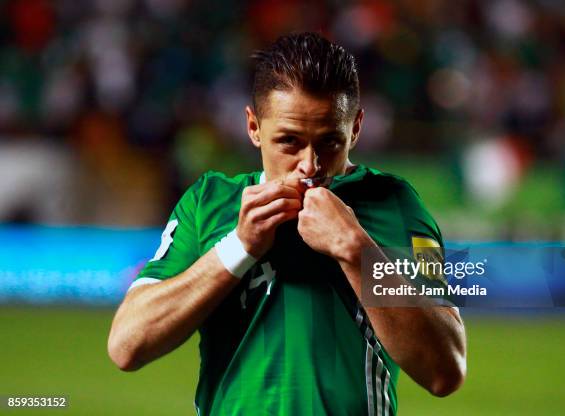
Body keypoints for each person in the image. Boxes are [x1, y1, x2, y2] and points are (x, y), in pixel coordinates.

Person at [108, 32, 466, 415]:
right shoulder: (208, 202)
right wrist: (239, 247)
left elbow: (445, 370)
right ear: (253, 127)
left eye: (329, 142)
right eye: (289, 142)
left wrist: (356, 250)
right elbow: (127, 345)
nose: (309, 166)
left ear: (356, 128)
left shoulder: (396, 204)